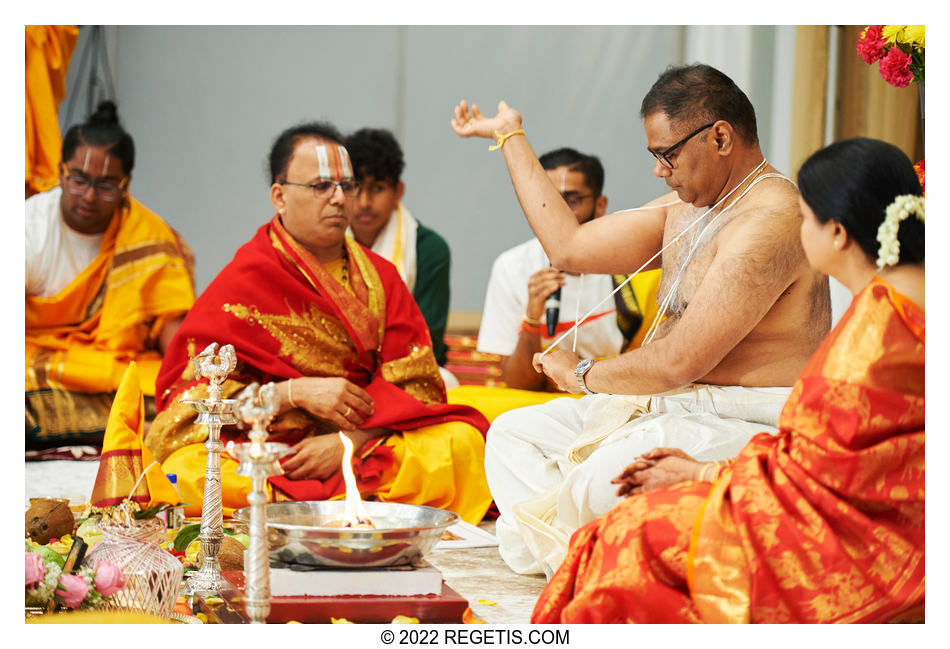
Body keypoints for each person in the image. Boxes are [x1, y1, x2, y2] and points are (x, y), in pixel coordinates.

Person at [451, 63, 831, 575]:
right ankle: (591, 564)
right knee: (512, 436)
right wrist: (511, 136)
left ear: (720, 137)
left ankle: (587, 563)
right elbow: (569, 246)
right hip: (670, 405)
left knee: (603, 479)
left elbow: (679, 361)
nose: (659, 170)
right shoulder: (691, 206)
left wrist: (582, 376)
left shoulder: (770, 219)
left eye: (666, 154)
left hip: (743, 418)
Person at [532, 137, 924, 623]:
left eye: (805, 218)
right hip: (888, 518)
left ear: (838, 233)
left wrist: (701, 474)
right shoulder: (907, 304)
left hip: (858, 544)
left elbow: (819, 477)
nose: (797, 230)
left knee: (625, 537)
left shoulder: (874, 335)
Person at [146, 121, 492, 525]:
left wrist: (348, 442)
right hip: (274, 450)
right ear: (279, 196)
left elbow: (418, 382)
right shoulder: (244, 280)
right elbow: (190, 401)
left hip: (364, 443)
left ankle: (299, 505)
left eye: (346, 185)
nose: (340, 199)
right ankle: (355, 503)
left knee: (464, 444)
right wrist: (290, 394)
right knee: (186, 471)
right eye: (321, 186)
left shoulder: (381, 278)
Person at [26, 100, 195, 450]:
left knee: (169, 391)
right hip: (39, 362)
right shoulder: (29, 227)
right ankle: (131, 426)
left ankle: (135, 423)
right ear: (60, 173)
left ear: (125, 184)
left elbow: (173, 336)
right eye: (78, 180)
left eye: (105, 185)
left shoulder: (149, 235)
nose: (88, 196)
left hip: (119, 367)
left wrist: (191, 387)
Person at [476, 147, 662, 391]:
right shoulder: (511, 267)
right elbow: (519, 384)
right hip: (540, 402)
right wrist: (531, 319)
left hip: (613, 392)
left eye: (571, 201)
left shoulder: (634, 263)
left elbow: (656, 366)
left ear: (600, 205)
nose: (558, 213)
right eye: (548, 201)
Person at [344, 128, 451, 369]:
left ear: (398, 192)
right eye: (356, 187)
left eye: (378, 188)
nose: (364, 202)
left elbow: (427, 338)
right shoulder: (325, 243)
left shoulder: (429, 249)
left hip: (410, 368)